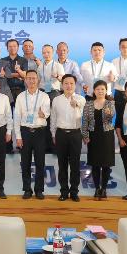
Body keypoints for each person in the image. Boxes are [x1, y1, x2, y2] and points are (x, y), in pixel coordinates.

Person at [14, 70, 51, 200]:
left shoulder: (44, 96)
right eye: (29, 78)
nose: (31, 80)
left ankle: (39, 190)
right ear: (25, 80)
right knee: (25, 163)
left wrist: (42, 114)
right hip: (25, 132)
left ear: (38, 80)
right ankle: (27, 189)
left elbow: (46, 113)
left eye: (34, 78)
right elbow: (17, 117)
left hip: (40, 132)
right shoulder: (20, 97)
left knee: (40, 162)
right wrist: (18, 136)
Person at [50, 74, 86, 202]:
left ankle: (74, 191)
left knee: (75, 165)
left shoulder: (81, 99)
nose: (69, 86)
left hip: (75, 134)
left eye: (71, 83)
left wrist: (76, 104)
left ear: (75, 85)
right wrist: (53, 134)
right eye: (66, 83)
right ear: (62, 85)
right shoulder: (56, 100)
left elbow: (81, 107)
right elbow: (53, 118)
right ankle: (64, 191)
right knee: (62, 164)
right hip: (61, 134)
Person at [81, 80, 116, 200]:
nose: (100, 91)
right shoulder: (88, 104)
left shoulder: (110, 103)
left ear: (106, 91)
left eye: (102, 89)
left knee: (106, 164)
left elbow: (112, 117)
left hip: (107, 136)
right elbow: (85, 121)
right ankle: (97, 189)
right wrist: (85, 136)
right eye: (98, 89)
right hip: (93, 136)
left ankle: (104, 189)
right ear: (94, 91)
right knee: (95, 164)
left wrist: (109, 113)